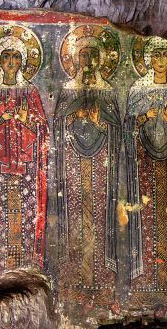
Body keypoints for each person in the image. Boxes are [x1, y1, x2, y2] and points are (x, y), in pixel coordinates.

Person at [52, 36, 123, 295]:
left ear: (102, 60)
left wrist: (101, 123)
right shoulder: (68, 91)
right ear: (75, 60)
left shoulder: (108, 92)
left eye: (94, 56)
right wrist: (73, 119)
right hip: (72, 164)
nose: (89, 61)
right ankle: (73, 277)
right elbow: (58, 126)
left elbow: (117, 129)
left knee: (100, 214)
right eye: (84, 56)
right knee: (74, 216)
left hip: (101, 167)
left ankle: (102, 278)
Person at [125, 37, 167, 294]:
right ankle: (145, 277)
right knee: (147, 215)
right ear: (148, 60)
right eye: (156, 56)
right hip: (145, 165)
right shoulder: (137, 90)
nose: (161, 61)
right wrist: (144, 117)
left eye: (166, 55)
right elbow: (127, 127)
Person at [0, 33, 48, 276]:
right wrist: (0, 119)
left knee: (26, 208)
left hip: (25, 163)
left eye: (16, 57)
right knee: (0, 210)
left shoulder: (31, 92)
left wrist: (28, 122)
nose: (10, 61)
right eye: (6, 56)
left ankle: (25, 261)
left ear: (22, 62)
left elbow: (42, 128)